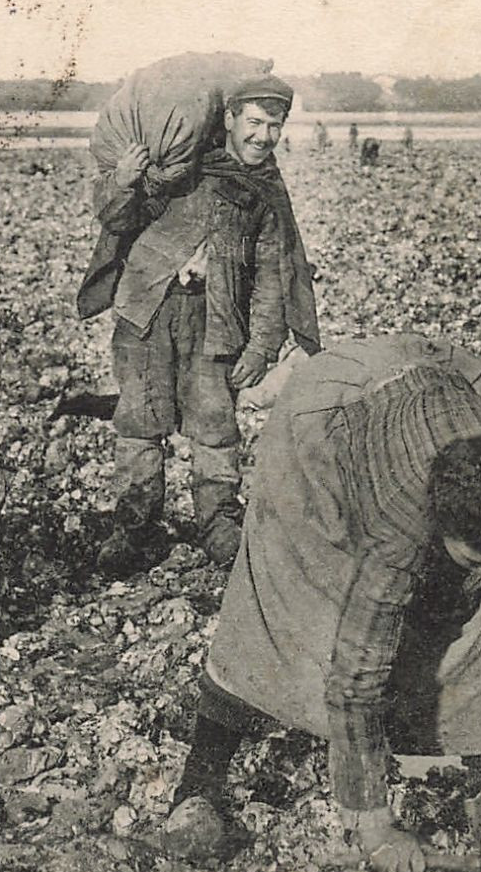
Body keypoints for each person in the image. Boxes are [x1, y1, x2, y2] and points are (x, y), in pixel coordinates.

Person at [166, 335, 481, 872]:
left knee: (479, 609)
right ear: (439, 520)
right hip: (330, 409)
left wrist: (478, 570)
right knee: (287, 600)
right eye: (475, 553)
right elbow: (356, 677)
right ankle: (199, 782)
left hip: (435, 374)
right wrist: (374, 825)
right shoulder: (399, 522)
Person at [85, 75, 320, 573]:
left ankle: (217, 523)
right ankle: (134, 526)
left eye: (274, 126)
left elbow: (274, 274)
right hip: (147, 312)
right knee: (139, 422)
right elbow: (117, 220)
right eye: (254, 122)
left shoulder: (264, 192)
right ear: (229, 119)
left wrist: (261, 346)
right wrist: (124, 180)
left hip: (216, 322)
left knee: (215, 426)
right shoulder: (180, 170)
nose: (263, 136)